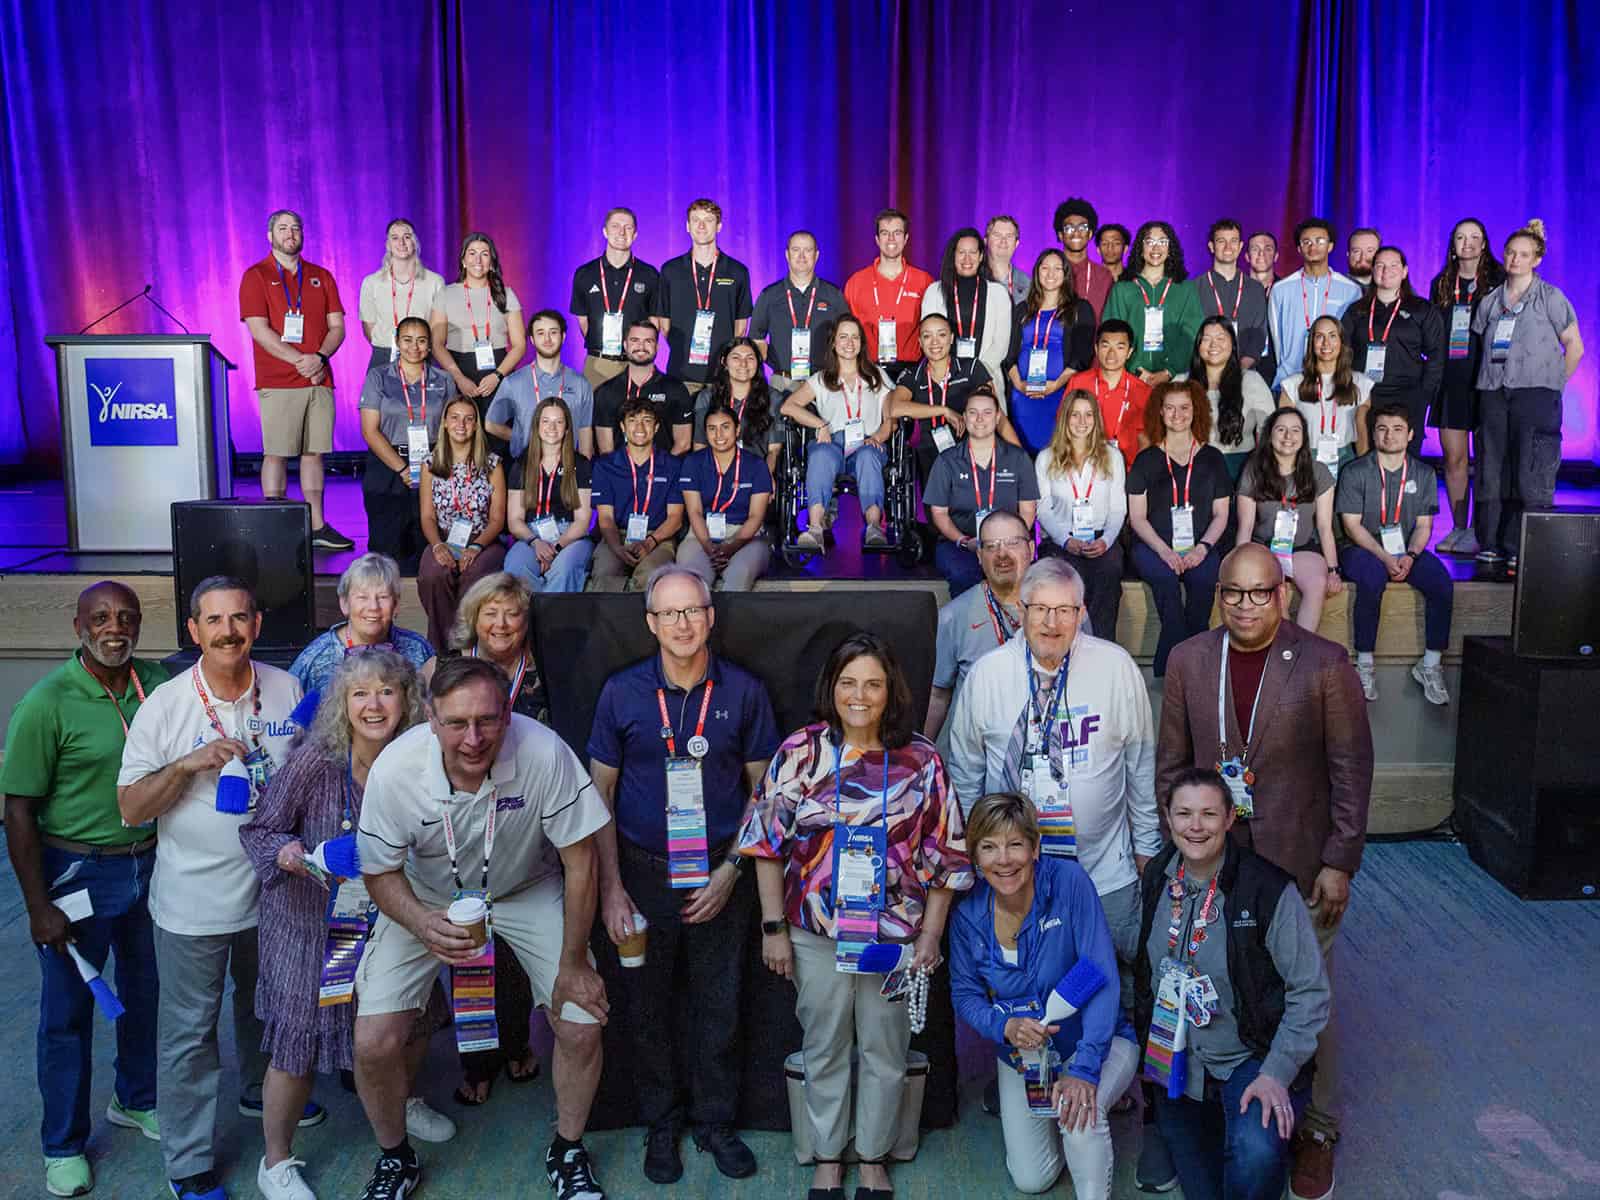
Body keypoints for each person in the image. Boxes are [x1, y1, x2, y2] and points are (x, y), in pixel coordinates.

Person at [1156, 544, 1373, 1199]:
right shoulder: (1190, 660)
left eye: (1260, 593)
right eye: (1233, 594)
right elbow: (1171, 767)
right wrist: (1173, 855)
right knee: (1213, 985)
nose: (1246, 606)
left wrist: (1339, 861)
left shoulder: (1325, 663)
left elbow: (1351, 771)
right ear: (1218, 594)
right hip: (1210, 864)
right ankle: (1202, 1115)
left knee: (1311, 998)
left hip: (1300, 867)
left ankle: (1318, 1129)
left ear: (1282, 593)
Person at [351, 655, 611, 1200]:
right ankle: (396, 1159)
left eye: (488, 721)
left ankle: (567, 1149)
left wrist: (571, 966)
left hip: (523, 888)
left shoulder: (543, 751)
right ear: (429, 717)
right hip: (424, 897)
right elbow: (378, 873)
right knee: (374, 1042)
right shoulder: (396, 770)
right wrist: (422, 923)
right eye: (455, 723)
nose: (473, 738)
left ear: (508, 712)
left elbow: (581, 860)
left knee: (582, 1021)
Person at [739, 632, 972, 1200]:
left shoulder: (921, 759)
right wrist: (774, 929)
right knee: (823, 1046)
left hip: (895, 938)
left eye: (872, 683)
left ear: (891, 690)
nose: (860, 695)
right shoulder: (801, 751)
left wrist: (932, 936)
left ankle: (871, 1156)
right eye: (848, 683)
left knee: (885, 1049)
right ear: (832, 688)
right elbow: (766, 844)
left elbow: (947, 857)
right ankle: (826, 1155)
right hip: (816, 934)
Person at [117, 577, 312, 1200]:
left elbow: (305, 777)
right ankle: (189, 1160)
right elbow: (129, 807)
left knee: (265, 1007)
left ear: (256, 624)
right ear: (194, 631)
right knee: (189, 1034)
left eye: (239, 618)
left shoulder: (286, 689)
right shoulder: (167, 705)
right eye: (214, 620)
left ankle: (262, 1093)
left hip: (273, 894)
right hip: (192, 904)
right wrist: (184, 766)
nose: (228, 631)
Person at [588, 564, 780, 1183]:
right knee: (647, 1007)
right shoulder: (621, 692)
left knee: (718, 1004)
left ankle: (716, 1121)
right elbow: (601, 799)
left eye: (692, 610)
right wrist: (611, 889)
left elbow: (764, 794)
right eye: (669, 613)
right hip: (643, 876)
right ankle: (662, 1124)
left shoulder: (744, 691)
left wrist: (732, 870)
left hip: (721, 876)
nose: (682, 623)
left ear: (711, 616)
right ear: (650, 623)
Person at [238, 651, 454, 1200]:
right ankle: (276, 1162)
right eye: (360, 693)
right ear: (343, 703)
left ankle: (399, 1103)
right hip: (308, 923)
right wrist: (294, 854)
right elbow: (260, 831)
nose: (373, 704)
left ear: (407, 700)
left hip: (392, 915)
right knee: (298, 1044)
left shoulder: (423, 759)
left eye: (386, 691)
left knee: (405, 1020)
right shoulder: (316, 760)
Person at [1, 582, 167, 1199]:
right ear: (79, 626)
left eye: (126, 617)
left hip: (150, 862)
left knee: (146, 990)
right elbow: (18, 810)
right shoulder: (47, 702)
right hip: (77, 871)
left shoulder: (157, 681)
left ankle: (138, 1098)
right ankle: (63, 1144)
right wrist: (38, 904)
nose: (114, 627)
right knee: (68, 1011)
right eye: (101, 618)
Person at [947, 557, 1159, 993]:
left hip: (1106, 872)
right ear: (1020, 612)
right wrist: (974, 858)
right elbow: (966, 774)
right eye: (1040, 609)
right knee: (1027, 988)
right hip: (1013, 876)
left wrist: (1147, 851)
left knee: (1120, 987)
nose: (1051, 622)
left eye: (1066, 610)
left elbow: (1140, 766)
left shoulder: (1116, 668)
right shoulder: (988, 675)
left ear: (1082, 614)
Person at [1134, 768, 1331, 1200]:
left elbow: (1310, 992)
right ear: (1167, 819)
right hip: (1179, 1061)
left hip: (1251, 1055)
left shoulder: (1268, 890)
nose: (1195, 825)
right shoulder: (1157, 878)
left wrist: (1277, 1073)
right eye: (1183, 813)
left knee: (1254, 1154)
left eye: (1209, 813)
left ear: (1229, 819)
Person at [949, 793, 1140, 1200]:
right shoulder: (967, 914)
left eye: (1016, 844)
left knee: (1080, 1115)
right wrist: (1005, 1027)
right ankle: (1064, 1110)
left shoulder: (1068, 882)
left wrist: (1086, 1070)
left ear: (1034, 848)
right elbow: (966, 997)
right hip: (1024, 1056)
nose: (1004, 859)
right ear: (975, 857)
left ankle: (1096, 1103)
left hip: (1095, 1041)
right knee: (1031, 1179)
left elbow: (1101, 974)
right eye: (989, 847)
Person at [439, 574, 548, 1098]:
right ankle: (477, 1062)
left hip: (524, 817)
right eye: (491, 613)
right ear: (473, 619)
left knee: (515, 950)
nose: (502, 624)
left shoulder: (544, 671)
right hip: (460, 823)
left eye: (512, 614)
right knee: (471, 945)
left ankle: (518, 1042)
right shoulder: (446, 670)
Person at [1471, 219, 1584, 568]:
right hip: (1494, 392)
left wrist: (1554, 385)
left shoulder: (1550, 298)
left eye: (1524, 255)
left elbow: (1574, 347)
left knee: (1529, 470)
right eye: (1511, 253)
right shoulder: (1491, 300)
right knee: (1491, 468)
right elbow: (1479, 345)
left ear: (1536, 259)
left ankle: (1522, 545)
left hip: (1535, 395)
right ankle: (1489, 542)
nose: (1516, 260)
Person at [239, 209, 352, 551]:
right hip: (279, 380)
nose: (291, 233)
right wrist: (299, 360)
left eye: (296, 228)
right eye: (283, 228)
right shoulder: (255, 275)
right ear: (269, 236)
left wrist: (318, 358)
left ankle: (316, 526)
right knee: (276, 453)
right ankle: (276, 525)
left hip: (319, 379)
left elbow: (338, 327)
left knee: (313, 453)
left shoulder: (321, 275)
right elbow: (259, 330)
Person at [1336, 404, 1454, 705]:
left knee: (1442, 583)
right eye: (1382, 428)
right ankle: (1364, 663)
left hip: (1405, 549)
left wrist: (1411, 556)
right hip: (1361, 548)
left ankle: (1429, 665)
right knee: (1373, 577)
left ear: (1411, 434)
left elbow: (1424, 526)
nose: (1389, 435)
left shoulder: (1423, 473)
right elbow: (1351, 526)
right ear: (1373, 433)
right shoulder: (1355, 471)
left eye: (1397, 429)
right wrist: (1386, 558)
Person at [1126, 381, 1232, 677]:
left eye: (1184, 407)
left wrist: (1203, 548)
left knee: (1203, 582)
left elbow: (1221, 514)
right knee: (1167, 585)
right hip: (1152, 546)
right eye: (1170, 408)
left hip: (1201, 545)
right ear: (1160, 412)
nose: (1177, 414)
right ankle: (1186, 666)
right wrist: (1164, 551)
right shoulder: (1145, 460)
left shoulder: (1213, 459)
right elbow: (1137, 517)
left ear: (1195, 410)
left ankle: (1172, 664)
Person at [780, 314, 897, 550]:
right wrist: (819, 424)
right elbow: (788, 406)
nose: (849, 342)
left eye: (855, 337)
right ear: (833, 342)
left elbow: (891, 419)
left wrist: (877, 438)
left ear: (862, 343)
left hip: (867, 443)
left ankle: (874, 527)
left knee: (867, 456)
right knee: (820, 454)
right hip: (832, 443)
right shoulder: (821, 379)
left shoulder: (877, 376)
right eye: (843, 337)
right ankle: (815, 529)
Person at [1427, 219, 1504, 557]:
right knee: (1454, 459)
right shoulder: (1441, 283)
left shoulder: (1500, 280)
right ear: (1452, 245)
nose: (1468, 243)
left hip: (1489, 379)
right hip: (1452, 381)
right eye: (1461, 237)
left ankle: (1487, 532)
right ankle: (1459, 529)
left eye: (1475, 237)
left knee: (1489, 459)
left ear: (1485, 244)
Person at [925, 509, 1033, 740]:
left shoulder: (1060, 610)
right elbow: (937, 695)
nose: (1002, 554)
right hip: (974, 750)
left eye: (1013, 543)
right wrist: (921, 754)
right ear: (979, 556)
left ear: (1031, 550)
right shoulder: (953, 617)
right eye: (991, 546)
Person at [923, 385, 1040, 597]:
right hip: (960, 544)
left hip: (1009, 542)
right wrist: (963, 541)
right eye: (972, 413)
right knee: (964, 574)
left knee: (1018, 572)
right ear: (964, 418)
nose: (979, 419)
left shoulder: (1018, 459)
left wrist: (1009, 541)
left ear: (997, 418)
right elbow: (939, 513)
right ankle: (971, 627)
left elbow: (1028, 510)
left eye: (987, 413)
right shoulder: (947, 461)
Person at [359, 316, 456, 569]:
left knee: (428, 551)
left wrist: (433, 468)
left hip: (433, 467)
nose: (415, 347)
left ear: (430, 344)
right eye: (408, 340)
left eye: (422, 341)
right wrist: (402, 469)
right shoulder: (378, 377)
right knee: (386, 550)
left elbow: (452, 429)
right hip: (388, 468)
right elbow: (370, 431)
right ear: (397, 342)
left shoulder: (444, 380)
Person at [1235, 409, 1342, 633]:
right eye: (1281, 429)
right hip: (1264, 547)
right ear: (1269, 435)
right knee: (1275, 588)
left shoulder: (1319, 472)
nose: (1288, 436)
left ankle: (1301, 647)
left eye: (1295, 430)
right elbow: (1245, 526)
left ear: (1304, 437)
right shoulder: (1254, 470)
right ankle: (1288, 649)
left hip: (1302, 547)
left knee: (1317, 584)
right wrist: (1240, 566)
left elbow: (1324, 526)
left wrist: (1333, 569)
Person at [1035, 389, 1127, 641]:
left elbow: (1118, 508)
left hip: (1101, 539)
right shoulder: (1046, 458)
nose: (1082, 422)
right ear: (1065, 418)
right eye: (1075, 415)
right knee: (1069, 579)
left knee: (1108, 573)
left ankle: (1103, 646)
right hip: (1061, 540)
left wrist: (1105, 541)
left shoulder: (1112, 457)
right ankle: (1068, 646)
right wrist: (1066, 540)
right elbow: (1043, 509)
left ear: (1096, 419)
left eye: (1088, 415)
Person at [416, 396, 508, 650]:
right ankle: (443, 648)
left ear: (477, 425)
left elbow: (498, 519)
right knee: (434, 574)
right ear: (445, 423)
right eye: (455, 418)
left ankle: (470, 644)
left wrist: (476, 547)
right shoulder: (430, 464)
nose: (461, 424)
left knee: (475, 574)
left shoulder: (492, 464)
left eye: (469, 419)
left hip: (484, 540)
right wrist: (437, 546)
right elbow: (427, 516)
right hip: (444, 538)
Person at [1340, 247, 1445, 453]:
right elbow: (1343, 352)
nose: (1386, 271)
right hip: (1366, 396)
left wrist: (1424, 395)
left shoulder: (1421, 309)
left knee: (1405, 458)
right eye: (1380, 265)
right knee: (1367, 457)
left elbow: (1436, 355)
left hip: (1408, 395)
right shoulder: (1357, 310)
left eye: (1393, 265)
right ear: (1373, 271)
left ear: (1405, 271)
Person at [288, 554, 435, 698]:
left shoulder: (418, 649)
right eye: (362, 597)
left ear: (395, 605)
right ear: (345, 604)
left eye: (383, 597)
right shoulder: (316, 659)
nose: (373, 606)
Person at [429, 232, 526, 449]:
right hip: (459, 369)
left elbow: (519, 345)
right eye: (472, 253)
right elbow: (436, 344)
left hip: (498, 370)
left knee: (496, 437)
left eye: (484, 254)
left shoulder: (507, 294)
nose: (477, 260)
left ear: (492, 262)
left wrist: (498, 375)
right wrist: (458, 377)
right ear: (463, 260)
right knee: (462, 437)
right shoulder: (446, 294)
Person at [887, 313, 1000, 491]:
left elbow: (993, 410)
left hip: (970, 446)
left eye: (941, 334)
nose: (934, 342)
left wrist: (1018, 456)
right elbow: (895, 408)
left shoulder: (971, 367)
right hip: (931, 450)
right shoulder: (912, 374)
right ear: (919, 341)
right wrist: (944, 411)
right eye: (927, 336)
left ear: (952, 338)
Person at [655, 198, 753, 393]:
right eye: (695, 220)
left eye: (708, 220)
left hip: (721, 377)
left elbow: (741, 328)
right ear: (687, 226)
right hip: (680, 374)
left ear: (719, 226)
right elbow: (664, 325)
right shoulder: (670, 270)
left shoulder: (737, 271)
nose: (701, 226)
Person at [1004, 248, 1096, 455]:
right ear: (1037, 272)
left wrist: (1055, 385)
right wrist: (1019, 384)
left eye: (1057, 269)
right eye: (1045, 268)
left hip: (1060, 394)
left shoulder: (1080, 309)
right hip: (1023, 396)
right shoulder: (1022, 309)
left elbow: (1082, 357)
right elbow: (1009, 356)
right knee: (1024, 455)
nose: (1050, 274)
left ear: (1065, 274)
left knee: (1056, 456)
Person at [676, 400, 774, 590]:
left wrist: (730, 548)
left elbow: (756, 517)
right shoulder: (692, 463)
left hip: (746, 536)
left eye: (725, 427)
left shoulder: (756, 465)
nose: (719, 435)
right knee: (693, 581)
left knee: (738, 577)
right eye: (712, 429)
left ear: (737, 430)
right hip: (701, 535)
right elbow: (694, 512)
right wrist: (709, 548)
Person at [590, 394, 685, 591]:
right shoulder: (605, 465)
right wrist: (617, 548)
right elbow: (606, 518)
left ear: (656, 427)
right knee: (604, 574)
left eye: (647, 421)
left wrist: (649, 543)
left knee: (650, 577)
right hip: (616, 535)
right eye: (632, 421)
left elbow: (675, 518)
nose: (640, 428)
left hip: (658, 538)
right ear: (623, 427)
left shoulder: (673, 466)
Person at [504, 396, 595, 595]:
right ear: (537, 426)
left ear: (567, 428)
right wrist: (536, 543)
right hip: (531, 535)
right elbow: (514, 520)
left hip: (571, 536)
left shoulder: (581, 464)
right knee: (515, 568)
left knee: (564, 570)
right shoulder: (521, 465)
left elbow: (582, 521)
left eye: (558, 422)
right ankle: (530, 623)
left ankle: (555, 623)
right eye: (546, 421)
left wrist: (557, 547)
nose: (552, 427)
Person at [1103, 221, 1203, 387]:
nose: (1156, 248)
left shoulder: (1186, 288)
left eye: (1162, 242)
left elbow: (1192, 333)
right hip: (1131, 376)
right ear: (1141, 249)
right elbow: (1112, 333)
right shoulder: (1122, 289)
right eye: (1149, 242)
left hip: (1175, 378)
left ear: (1170, 249)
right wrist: (1135, 369)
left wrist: (1168, 371)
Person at [569, 207, 661, 388]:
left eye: (628, 227)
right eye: (615, 226)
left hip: (635, 363)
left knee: (637, 415)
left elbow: (654, 322)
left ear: (635, 234)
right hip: (598, 364)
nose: (621, 232)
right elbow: (583, 322)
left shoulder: (650, 275)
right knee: (596, 415)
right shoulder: (585, 274)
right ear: (605, 231)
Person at [487, 309, 595, 461]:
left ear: (563, 337)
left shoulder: (581, 384)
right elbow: (491, 424)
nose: (547, 339)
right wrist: (520, 437)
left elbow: (585, 431)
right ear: (532, 339)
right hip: (525, 467)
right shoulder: (513, 382)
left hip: (568, 469)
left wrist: (585, 471)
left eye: (553, 332)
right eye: (540, 333)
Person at [749, 230, 849, 394]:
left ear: (816, 255)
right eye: (796, 250)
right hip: (782, 383)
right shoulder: (769, 295)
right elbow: (755, 338)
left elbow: (847, 337)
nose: (801, 256)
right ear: (787, 255)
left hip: (823, 382)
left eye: (808, 250)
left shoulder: (833, 295)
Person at [1267, 219, 1364, 388]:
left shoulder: (1351, 290)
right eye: (1307, 242)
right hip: (1291, 379)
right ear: (1299, 248)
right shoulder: (1281, 289)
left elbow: (1352, 339)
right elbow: (1277, 341)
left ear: (1331, 246)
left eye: (1320, 241)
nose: (1313, 247)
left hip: (1335, 381)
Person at [922, 226, 1015, 395]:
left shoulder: (998, 293)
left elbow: (1001, 345)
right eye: (961, 252)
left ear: (981, 256)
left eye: (972, 252)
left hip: (986, 379)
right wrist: (953, 374)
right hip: (944, 380)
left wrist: (974, 374)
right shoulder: (934, 292)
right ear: (953, 256)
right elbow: (929, 338)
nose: (967, 258)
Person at [1278, 315, 1373, 477]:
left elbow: (1362, 432)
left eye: (1332, 336)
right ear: (1311, 343)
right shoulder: (1292, 385)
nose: (1326, 343)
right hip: (1305, 458)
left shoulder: (1361, 383)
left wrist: (1365, 470)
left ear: (1341, 342)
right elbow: (1283, 433)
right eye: (1319, 336)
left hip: (1346, 458)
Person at [843, 207, 936, 370]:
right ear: (877, 239)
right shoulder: (856, 282)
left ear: (906, 238)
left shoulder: (924, 281)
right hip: (868, 370)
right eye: (885, 233)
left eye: (897, 233)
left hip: (912, 371)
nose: (891, 239)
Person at [1188, 317, 1276, 480]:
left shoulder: (1251, 381)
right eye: (1206, 339)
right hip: (1193, 470)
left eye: (1221, 338)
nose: (1214, 345)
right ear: (1198, 345)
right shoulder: (1182, 383)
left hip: (1240, 470)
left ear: (1233, 345)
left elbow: (1270, 431)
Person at [591, 320, 695, 455]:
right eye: (635, 340)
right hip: (620, 473)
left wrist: (661, 470)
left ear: (657, 346)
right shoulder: (605, 392)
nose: (641, 346)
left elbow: (683, 443)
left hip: (664, 472)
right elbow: (606, 449)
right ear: (625, 345)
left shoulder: (676, 389)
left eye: (648, 341)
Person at [358, 219, 446, 373]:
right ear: (388, 245)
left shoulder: (435, 282)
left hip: (422, 356)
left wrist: (415, 348)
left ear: (415, 242)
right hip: (384, 356)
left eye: (407, 236)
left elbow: (438, 328)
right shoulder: (371, 282)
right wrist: (394, 346)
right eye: (395, 238)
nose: (401, 243)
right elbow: (369, 328)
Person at [1066, 319, 1151, 469]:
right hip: (1084, 468)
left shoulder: (1143, 391)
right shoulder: (1078, 383)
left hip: (1128, 470)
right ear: (1096, 349)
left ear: (1129, 352)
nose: (1111, 354)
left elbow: (1147, 440)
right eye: (1105, 346)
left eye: (1119, 347)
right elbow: (1064, 426)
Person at [1197, 220, 1271, 372]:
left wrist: (1240, 368)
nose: (1228, 247)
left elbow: (1259, 335)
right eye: (1221, 241)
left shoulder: (1255, 289)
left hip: (1245, 373)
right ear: (1211, 247)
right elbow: (1193, 334)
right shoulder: (1195, 287)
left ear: (1240, 247)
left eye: (1233, 241)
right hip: (1205, 373)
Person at [705, 337, 783, 469]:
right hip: (716, 471)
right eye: (736, 358)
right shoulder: (708, 397)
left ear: (758, 363)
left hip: (755, 471)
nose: (743, 364)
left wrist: (765, 478)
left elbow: (774, 451)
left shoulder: (773, 397)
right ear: (724, 362)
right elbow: (699, 445)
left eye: (750, 358)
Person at [1053, 198, 1114, 319]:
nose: (1076, 233)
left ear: (1090, 234)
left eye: (1082, 228)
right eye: (1069, 228)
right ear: (1060, 235)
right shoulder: (1049, 274)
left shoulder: (1104, 276)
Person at [1245, 232, 1282, 385]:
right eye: (1255, 249)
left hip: (1277, 372)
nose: (1261, 254)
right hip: (1242, 370)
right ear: (1246, 256)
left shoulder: (1286, 290)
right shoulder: (1236, 290)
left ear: (1276, 256)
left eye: (1268, 249)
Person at [984, 214, 1032, 306]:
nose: (1003, 241)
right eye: (997, 235)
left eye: (1009, 236)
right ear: (986, 240)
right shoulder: (975, 278)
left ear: (1016, 243)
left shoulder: (1027, 284)